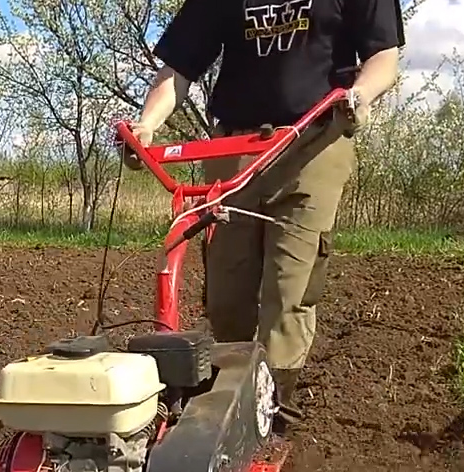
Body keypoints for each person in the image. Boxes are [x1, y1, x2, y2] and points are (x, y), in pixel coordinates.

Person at [121, 0, 405, 432]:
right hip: (235, 148)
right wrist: (146, 125)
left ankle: (272, 414)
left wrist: (359, 95)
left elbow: (383, 57)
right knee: (227, 295)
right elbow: (179, 67)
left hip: (314, 141)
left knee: (288, 290)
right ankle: (225, 398)